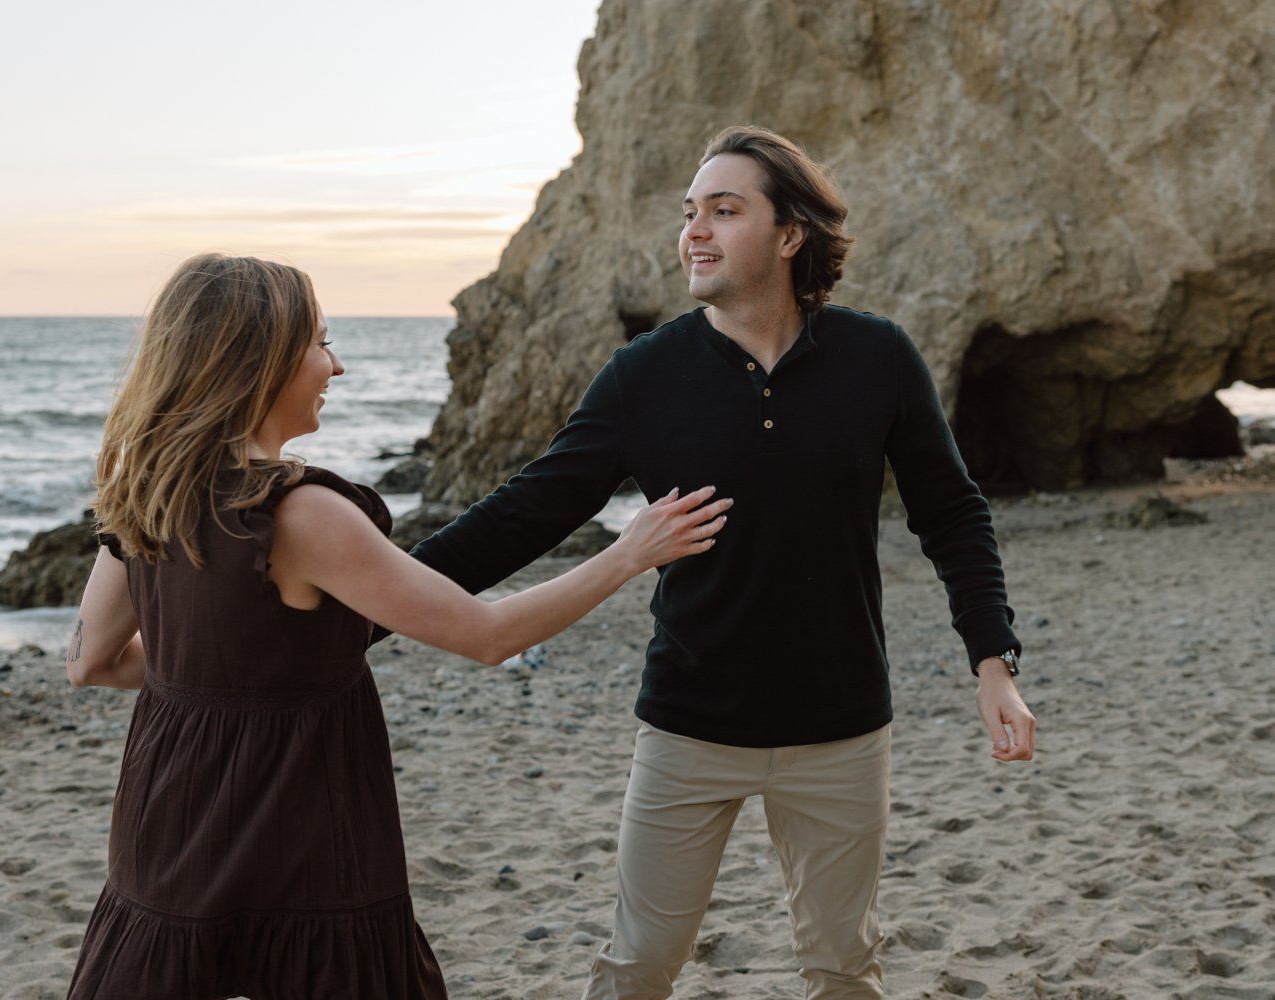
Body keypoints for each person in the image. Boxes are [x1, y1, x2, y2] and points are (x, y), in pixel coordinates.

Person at [398, 126, 1038, 999]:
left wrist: (993, 662)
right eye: (689, 213)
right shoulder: (643, 376)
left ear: (789, 236)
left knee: (844, 970)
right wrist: (370, 595)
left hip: (842, 730)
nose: (694, 231)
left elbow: (952, 513)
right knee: (637, 967)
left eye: (724, 211)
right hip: (687, 726)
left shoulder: (877, 358)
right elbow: (523, 515)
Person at [62, 252, 731, 1000]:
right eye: (320, 342)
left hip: (167, 820)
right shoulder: (302, 512)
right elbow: (489, 635)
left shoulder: (148, 489)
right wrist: (629, 553)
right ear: (262, 361)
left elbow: (92, 660)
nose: (335, 366)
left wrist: (222, 670)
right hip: (300, 824)